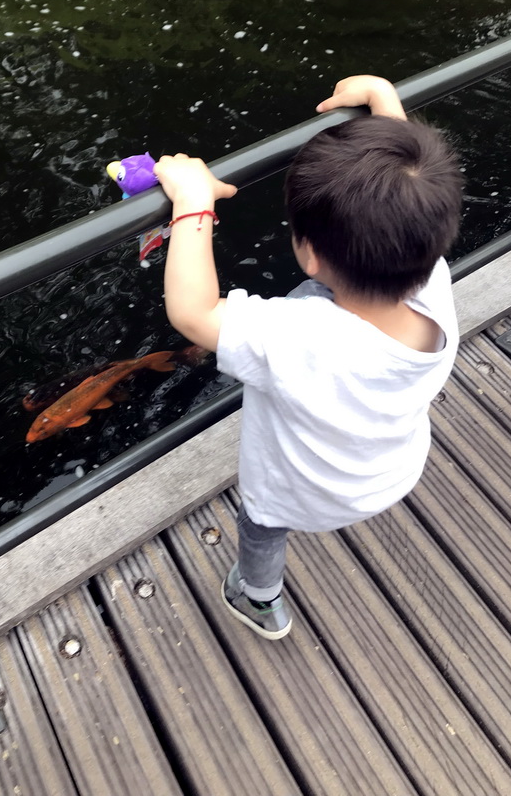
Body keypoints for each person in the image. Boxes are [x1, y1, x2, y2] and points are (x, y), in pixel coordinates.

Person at [153, 75, 463, 640]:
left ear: (310, 254)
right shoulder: (433, 282)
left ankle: (258, 599)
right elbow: (404, 196)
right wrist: (385, 107)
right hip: (389, 472)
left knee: (261, 531)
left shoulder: (298, 336)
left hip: (297, 492)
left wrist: (193, 201)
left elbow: (192, 312)